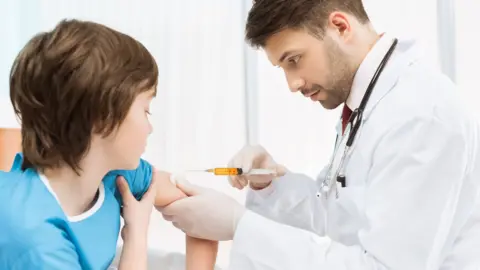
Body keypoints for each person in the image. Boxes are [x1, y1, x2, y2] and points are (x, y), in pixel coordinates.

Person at [161, 0, 480, 269]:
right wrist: (272, 186)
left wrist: (240, 225)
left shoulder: (419, 115)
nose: (292, 84)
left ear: (340, 27)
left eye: (294, 61)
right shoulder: (366, 104)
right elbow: (342, 217)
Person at [0, 19, 218, 270]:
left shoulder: (114, 175)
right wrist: (136, 235)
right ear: (101, 118)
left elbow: (202, 218)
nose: (150, 127)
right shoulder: (35, 240)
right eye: (146, 110)